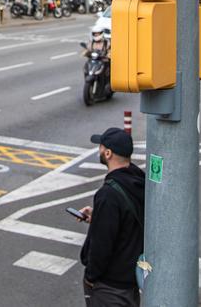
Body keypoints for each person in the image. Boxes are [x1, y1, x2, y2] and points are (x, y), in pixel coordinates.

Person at [77, 127, 145, 306]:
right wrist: (98, 216)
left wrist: (91, 277)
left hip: (109, 288)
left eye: (100, 147)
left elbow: (102, 244)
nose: (98, 150)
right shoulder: (139, 180)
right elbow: (128, 220)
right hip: (130, 282)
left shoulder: (108, 194)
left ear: (108, 153)